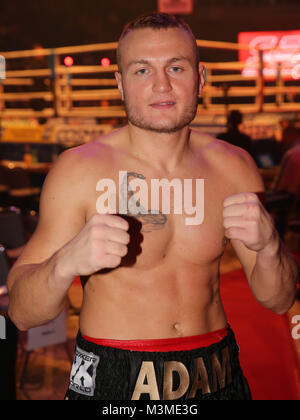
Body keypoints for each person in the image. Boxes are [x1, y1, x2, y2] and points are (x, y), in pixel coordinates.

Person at [7, 13, 299, 401]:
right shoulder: (79, 171)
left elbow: (277, 299)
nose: (162, 84)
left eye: (176, 67)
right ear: (120, 84)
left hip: (216, 372)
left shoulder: (234, 167)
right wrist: (66, 263)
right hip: (113, 376)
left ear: (201, 77)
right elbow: (23, 314)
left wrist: (270, 247)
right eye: (142, 70)